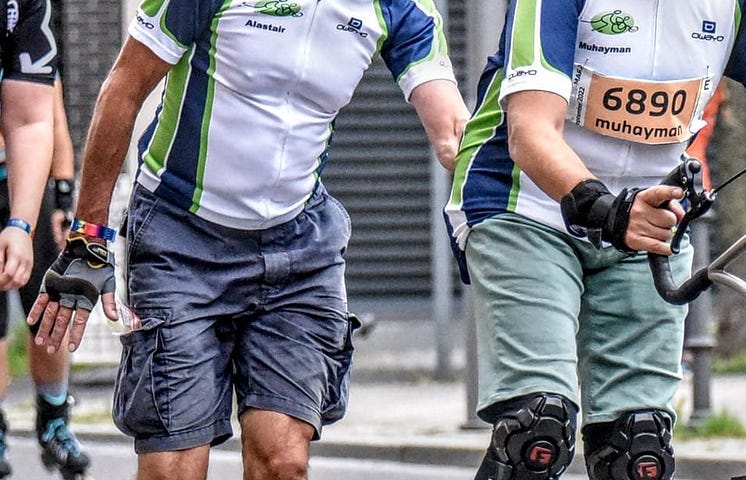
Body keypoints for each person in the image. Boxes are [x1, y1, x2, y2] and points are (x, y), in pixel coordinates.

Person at [26, 1, 469, 479]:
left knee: (283, 461)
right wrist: (89, 237)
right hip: (181, 237)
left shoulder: (402, 6)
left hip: (298, 246)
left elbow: (452, 131)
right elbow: (124, 87)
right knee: (172, 467)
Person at [444, 1, 746, 478]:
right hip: (526, 203)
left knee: (638, 450)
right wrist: (609, 210)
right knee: (537, 428)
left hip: (648, 218)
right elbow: (530, 131)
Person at [0, 79, 89, 479]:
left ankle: (55, 419)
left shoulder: (24, 36)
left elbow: (55, 122)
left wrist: (65, 198)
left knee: (50, 312)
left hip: (31, 190)